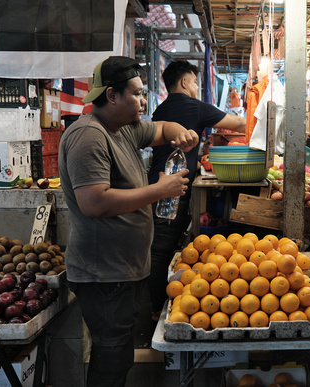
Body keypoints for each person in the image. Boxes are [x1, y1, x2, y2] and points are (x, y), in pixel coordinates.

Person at [58, 56, 199, 386]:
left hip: (123, 268)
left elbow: (162, 129)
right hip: (104, 272)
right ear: (112, 96)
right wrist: (158, 190)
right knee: (111, 359)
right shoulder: (90, 136)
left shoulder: (123, 129)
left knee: (117, 355)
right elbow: (94, 202)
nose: (143, 101)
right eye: (136, 94)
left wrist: (180, 133)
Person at [147, 59, 246, 321]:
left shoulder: (161, 109)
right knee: (161, 248)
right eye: (194, 81)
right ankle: (156, 309)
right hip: (171, 188)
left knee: (158, 245)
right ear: (184, 82)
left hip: (156, 182)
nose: (196, 87)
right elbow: (238, 124)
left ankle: (157, 302)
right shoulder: (193, 107)